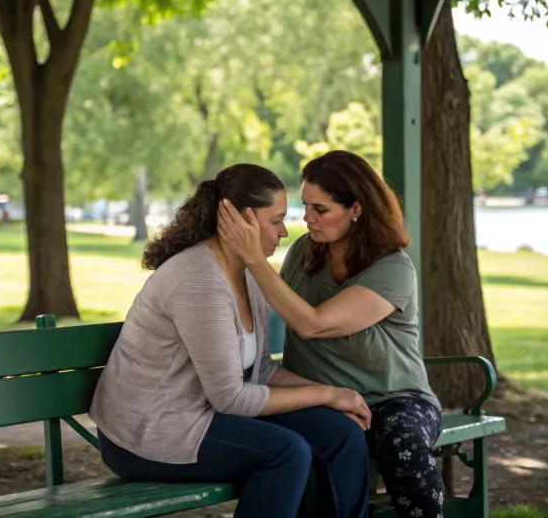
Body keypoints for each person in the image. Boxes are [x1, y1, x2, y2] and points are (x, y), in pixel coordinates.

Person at [89, 163, 371, 518]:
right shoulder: (199, 280)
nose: (284, 232)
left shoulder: (249, 277)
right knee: (286, 453)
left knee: (338, 433)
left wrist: (334, 397)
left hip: (204, 414)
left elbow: (262, 370)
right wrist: (327, 394)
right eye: (276, 220)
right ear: (244, 221)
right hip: (148, 432)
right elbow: (232, 398)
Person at [217, 150, 444, 518]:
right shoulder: (305, 253)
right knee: (300, 449)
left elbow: (313, 324)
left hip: (391, 399)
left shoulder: (392, 268)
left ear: (356, 208)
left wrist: (255, 260)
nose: (306, 219)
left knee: (403, 443)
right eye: (305, 206)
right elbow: (262, 304)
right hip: (316, 398)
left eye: (320, 210)